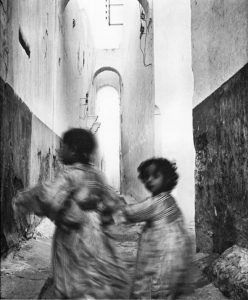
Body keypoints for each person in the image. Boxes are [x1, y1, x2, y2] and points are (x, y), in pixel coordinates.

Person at [12, 128, 128, 299]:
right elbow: (112, 203)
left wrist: (22, 200)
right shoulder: (98, 175)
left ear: (73, 150)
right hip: (96, 234)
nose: (58, 151)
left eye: (62, 146)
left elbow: (47, 196)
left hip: (72, 235)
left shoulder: (70, 175)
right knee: (92, 274)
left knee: (70, 276)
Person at [121, 157, 193, 299]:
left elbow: (132, 213)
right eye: (146, 177)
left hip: (161, 257)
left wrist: (118, 205)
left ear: (167, 179)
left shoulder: (157, 202)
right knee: (168, 290)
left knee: (153, 288)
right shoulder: (170, 200)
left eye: (155, 176)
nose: (149, 180)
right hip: (176, 258)